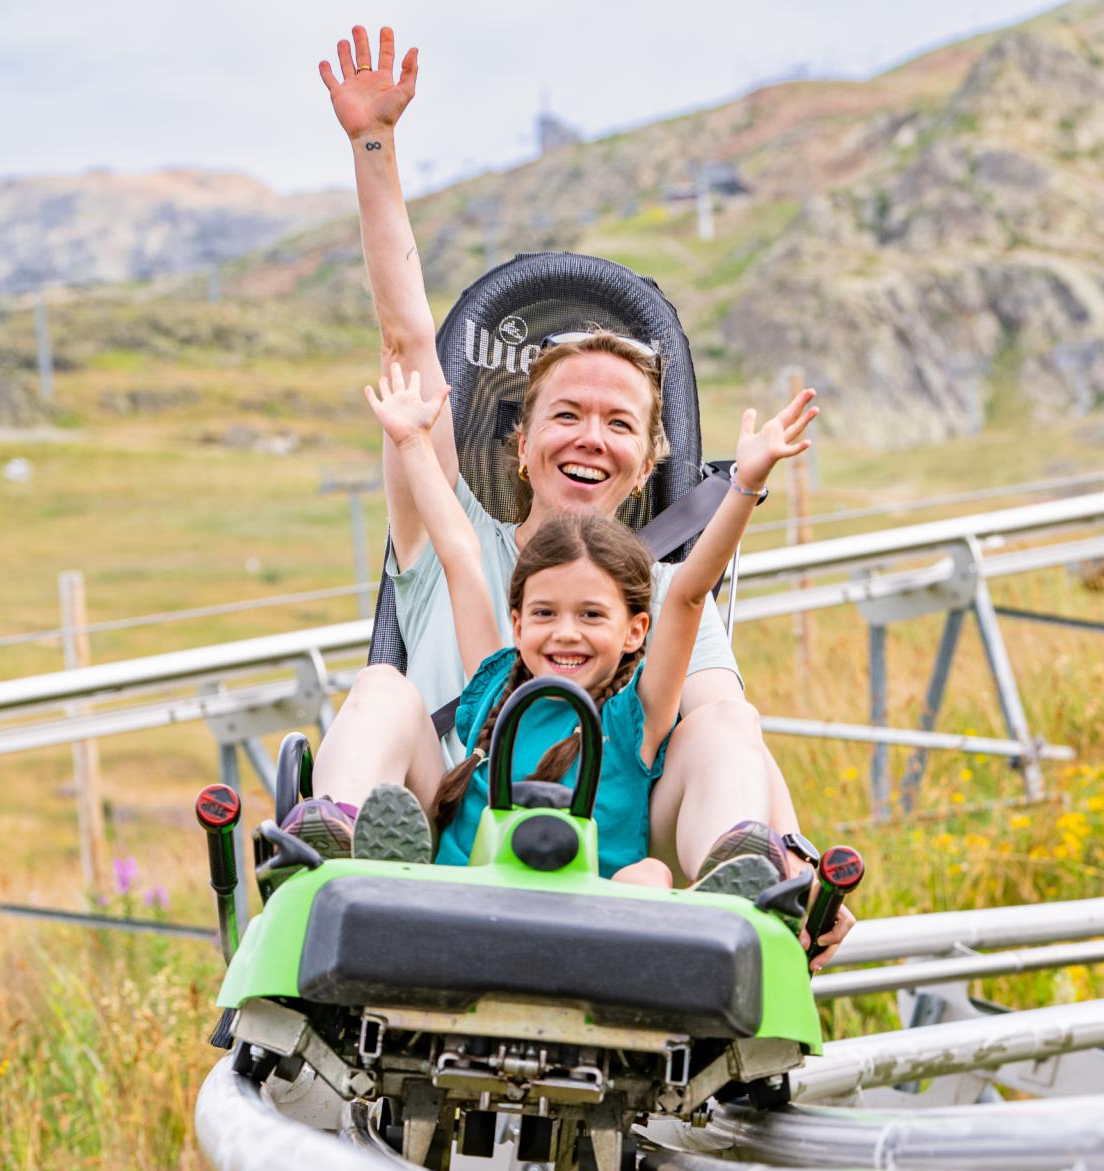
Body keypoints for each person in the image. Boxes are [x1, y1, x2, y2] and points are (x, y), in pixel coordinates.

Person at [310, 27, 856, 955]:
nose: (590, 438)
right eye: (567, 415)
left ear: (647, 464)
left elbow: (727, 712)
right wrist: (375, 146)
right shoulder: (461, 553)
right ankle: (331, 849)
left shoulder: (650, 600)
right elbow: (410, 343)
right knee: (382, 685)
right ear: (519, 441)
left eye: (618, 424)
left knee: (723, 714)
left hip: (615, 861)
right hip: (447, 829)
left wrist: (795, 852)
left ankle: (754, 877)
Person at [306, 360, 815, 895]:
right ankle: (336, 833)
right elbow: (459, 552)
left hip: (602, 903)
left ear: (635, 632)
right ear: (518, 623)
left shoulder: (638, 713)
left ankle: (733, 878)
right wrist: (411, 441)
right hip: (465, 892)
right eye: (546, 614)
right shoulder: (494, 679)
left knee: (652, 871)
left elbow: (688, 594)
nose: (566, 632)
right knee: (380, 684)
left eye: (591, 615)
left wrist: (744, 485)